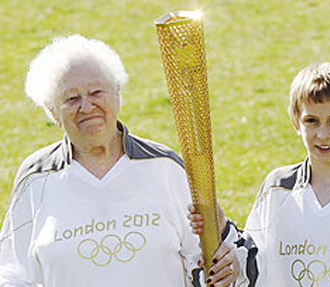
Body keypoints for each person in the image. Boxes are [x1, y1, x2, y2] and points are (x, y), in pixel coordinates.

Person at [0, 34, 239, 287]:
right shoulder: (36, 177)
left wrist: (227, 264)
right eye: (71, 99)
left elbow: (206, 259)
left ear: (117, 93)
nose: (86, 106)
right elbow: (12, 274)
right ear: (52, 111)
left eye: (96, 92)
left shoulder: (164, 166)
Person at [189, 62, 330, 286]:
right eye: (311, 121)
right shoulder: (277, 189)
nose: (323, 134)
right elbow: (252, 267)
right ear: (296, 123)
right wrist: (222, 229)